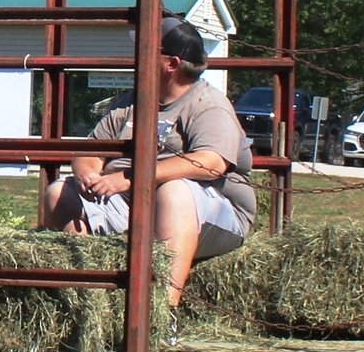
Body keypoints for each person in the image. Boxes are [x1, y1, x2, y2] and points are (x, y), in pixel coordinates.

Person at [42, 18, 254, 305]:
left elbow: (212, 162)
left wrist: (130, 178)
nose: (136, 58)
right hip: (134, 204)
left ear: (172, 64)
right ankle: (90, 306)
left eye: (146, 49)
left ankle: (163, 312)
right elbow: (91, 149)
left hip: (210, 214)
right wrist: (87, 172)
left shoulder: (209, 104)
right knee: (59, 192)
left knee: (174, 192)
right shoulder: (130, 102)